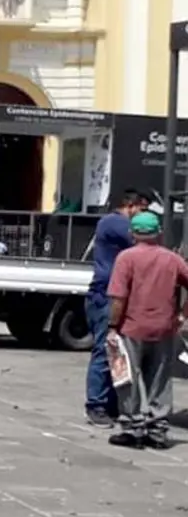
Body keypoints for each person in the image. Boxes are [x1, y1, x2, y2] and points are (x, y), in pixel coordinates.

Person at [105, 211, 187, 449]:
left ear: (133, 233)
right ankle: (157, 430)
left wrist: (112, 326)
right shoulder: (172, 259)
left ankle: (133, 428)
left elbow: (119, 298)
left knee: (127, 378)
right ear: (158, 233)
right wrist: (182, 315)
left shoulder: (126, 258)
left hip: (131, 327)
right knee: (160, 380)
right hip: (164, 328)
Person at [84, 190, 146, 428]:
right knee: (104, 350)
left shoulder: (112, 224)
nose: (143, 216)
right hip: (106, 296)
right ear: (131, 206)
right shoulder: (114, 223)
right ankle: (96, 405)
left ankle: (109, 404)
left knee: (115, 352)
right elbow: (141, 238)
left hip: (111, 295)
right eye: (142, 210)